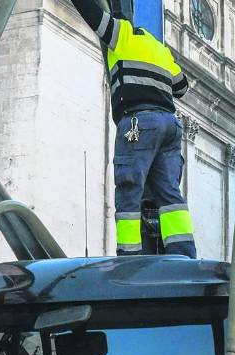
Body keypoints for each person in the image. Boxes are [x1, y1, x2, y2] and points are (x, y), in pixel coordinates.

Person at [69, 0, 196, 258]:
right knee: (169, 194)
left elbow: (90, 11)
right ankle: (182, 254)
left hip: (138, 123)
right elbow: (181, 86)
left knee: (129, 190)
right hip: (169, 126)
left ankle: (129, 257)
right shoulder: (159, 48)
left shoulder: (121, 34)